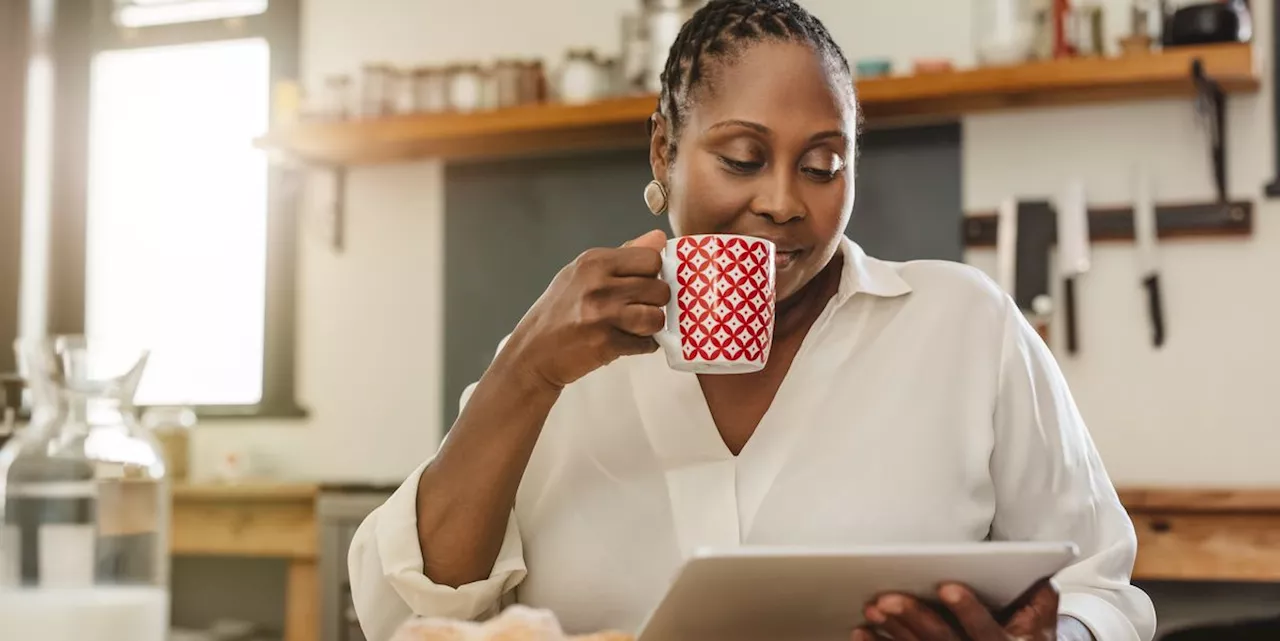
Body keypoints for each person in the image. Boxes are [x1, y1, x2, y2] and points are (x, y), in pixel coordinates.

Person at [348, 1, 1157, 640]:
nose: (782, 201)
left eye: (822, 166)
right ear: (664, 150)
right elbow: (412, 619)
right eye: (741, 158)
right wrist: (522, 373)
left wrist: (1047, 639)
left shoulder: (966, 329)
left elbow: (1102, 588)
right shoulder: (556, 364)